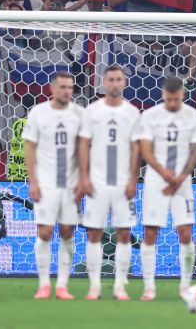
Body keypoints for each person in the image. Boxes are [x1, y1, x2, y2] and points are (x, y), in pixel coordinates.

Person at [135, 77, 196, 300]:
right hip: (156, 179)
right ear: (163, 94)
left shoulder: (193, 116)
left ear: (182, 94)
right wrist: (165, 174)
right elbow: (145, 150)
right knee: (151, 232)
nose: (173, 102)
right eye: (169, 98)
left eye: (177, 98)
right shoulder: (150, 116)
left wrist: (180, 176)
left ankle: (185, 286)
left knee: (185, 232)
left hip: (182, 180)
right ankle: (149, 287)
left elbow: (195, 151)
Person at [78, 64, 141, 301]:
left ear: (124, 83)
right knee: (94, 233)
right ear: (104, 82)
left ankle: (120, 285)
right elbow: (83, 145)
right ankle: (94, 285)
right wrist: (84, 176)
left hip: (123, 180)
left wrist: (134, 178)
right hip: (98, 180)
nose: (115, 83)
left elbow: (137, 148)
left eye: (119, 79)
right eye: (111, 79)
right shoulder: (92, 111)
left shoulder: (132, 112)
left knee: (124, 233)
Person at [23, 71, 83, 300]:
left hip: (71, 183)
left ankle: (63, 285)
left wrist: (83, 179)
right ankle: (44, 283)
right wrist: (34, 181)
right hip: (46, 182)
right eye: (63, 87)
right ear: (52, 88)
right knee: (45, 231)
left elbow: (84, 149)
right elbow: (30, 148)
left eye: (70, 88)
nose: (67, 91)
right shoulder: (38, 113)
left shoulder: (79, 114)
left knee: (68, 231)